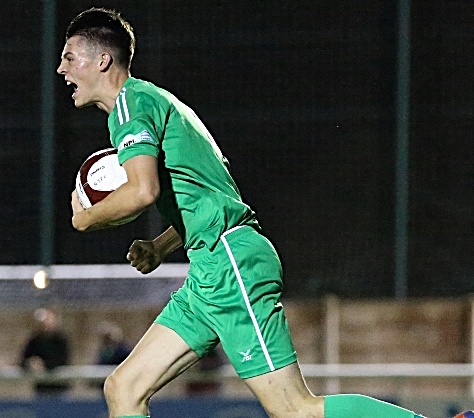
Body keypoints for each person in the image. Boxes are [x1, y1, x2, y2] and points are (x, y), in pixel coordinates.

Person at [56, 8, 473, 418]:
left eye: (70, 57)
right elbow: (211, 196)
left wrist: (85, 218)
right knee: (123, 388)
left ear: (103, 60)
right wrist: (161, 246)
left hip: (230, 263)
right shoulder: (161, 104)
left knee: (296, 410)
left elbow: (142, 191)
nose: (61, 69)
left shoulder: (132, 103)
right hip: (211, 268)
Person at [20, 308, 71, 396]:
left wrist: (44, 364)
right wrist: (30, 363)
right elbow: (23, 359)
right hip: (41, 388)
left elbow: (63, 360)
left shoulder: (61, 339)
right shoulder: (34, 340)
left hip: (59, 387)